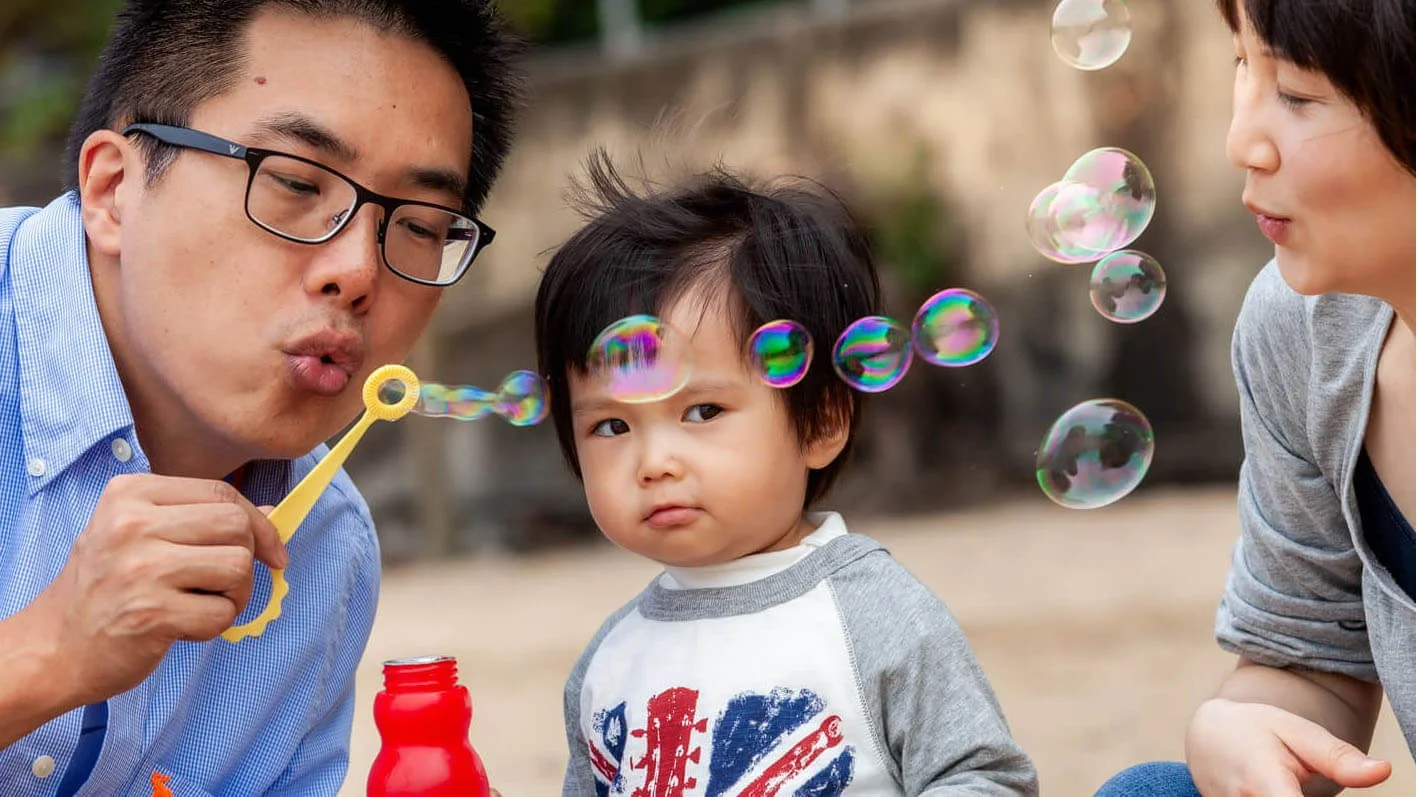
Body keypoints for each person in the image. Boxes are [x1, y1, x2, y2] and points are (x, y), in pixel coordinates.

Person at [0, 0, 522, 793]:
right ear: (113, 189)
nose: (358, 272)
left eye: (419, 225)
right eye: (293, 181)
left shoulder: (324, 550)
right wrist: (45, 656)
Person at [533, 154, 1039, 796]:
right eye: (611, 427)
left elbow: (984, 776)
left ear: (821, 422)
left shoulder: (871, 612)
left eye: (703, 410)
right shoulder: (608, 661)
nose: (654, 461)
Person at [1096, 0, 1414, 795]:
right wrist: (1235, 725)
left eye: (1298, 95)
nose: (1241, 141)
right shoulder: (1300, 331)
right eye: (1242, 63)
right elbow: (1314, 665)